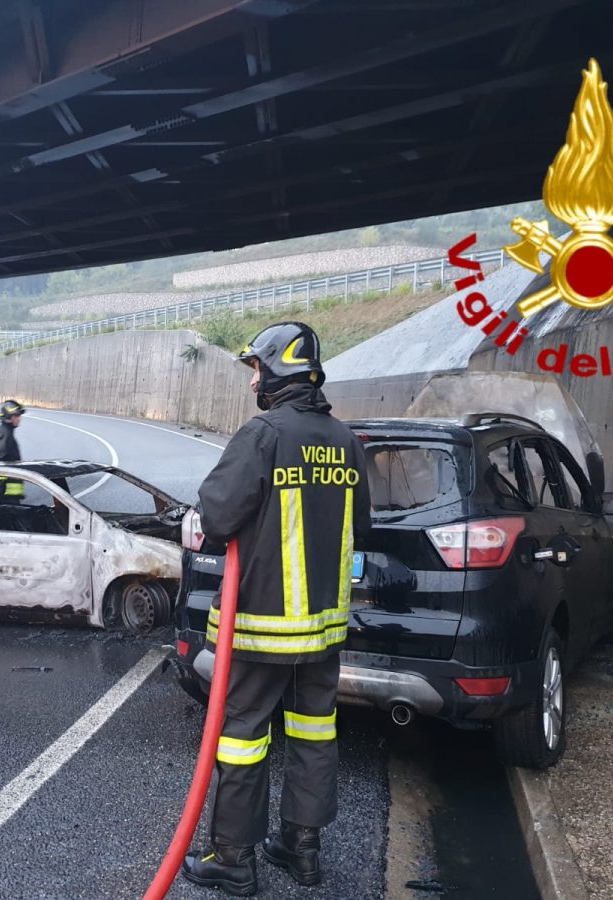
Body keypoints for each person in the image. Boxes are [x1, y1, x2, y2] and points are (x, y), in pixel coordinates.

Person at [182, 322, 371, 896]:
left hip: (261, 627)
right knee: (315, 735)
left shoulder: (262, 435)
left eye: (257, 370)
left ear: (278, 370)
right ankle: (301, 849)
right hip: (324, 630)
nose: (253, 382)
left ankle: (234, 858)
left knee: (242, 738)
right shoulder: (346, 439)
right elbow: (360, 524)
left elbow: (215, 517)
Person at [0, 399, 26, 500]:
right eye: (16, 416)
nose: (19, 419)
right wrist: (1, 486)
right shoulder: (5, 434)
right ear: (8, 417)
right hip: (6, 492)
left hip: (9, 492)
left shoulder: (4, 432)